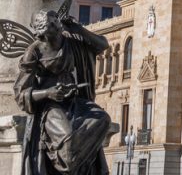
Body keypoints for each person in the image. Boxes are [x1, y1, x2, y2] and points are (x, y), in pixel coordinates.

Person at [14, 9, 111, 175]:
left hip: (73, 100)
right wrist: (47, 93)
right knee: (67, 138)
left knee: (102, 118)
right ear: (41, 33)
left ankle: (77, 166)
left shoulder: (71, 41)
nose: (56, 29)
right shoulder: (34, 51)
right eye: (50, 27)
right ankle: (69, 167)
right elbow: (21, 94)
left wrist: (78, 29)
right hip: (51, 104)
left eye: (56, 23)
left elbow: (102, 45)